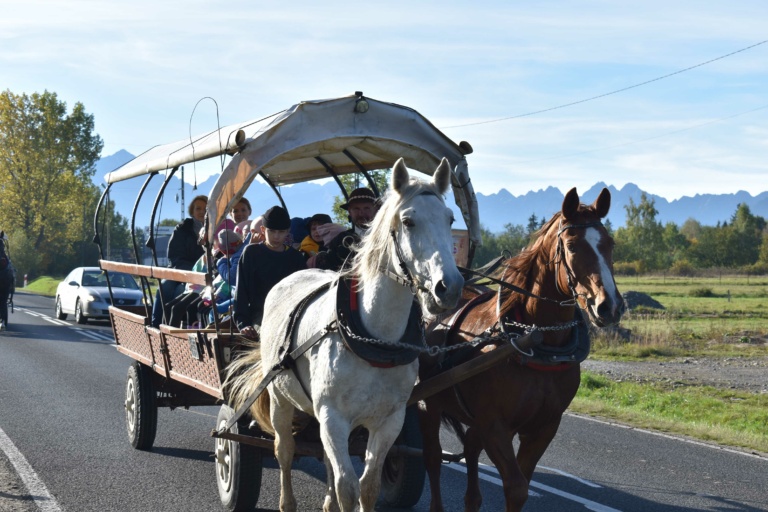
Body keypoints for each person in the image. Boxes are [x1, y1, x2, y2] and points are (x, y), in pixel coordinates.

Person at [234, 206, 306, 339]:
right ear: (263, 230)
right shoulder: (251, 253)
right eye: (272, 231)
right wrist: (243, 323)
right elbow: (241, 292)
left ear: (287, 232)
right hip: (261, 315)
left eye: (281, 232)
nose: (276, 236)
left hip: (291, 314)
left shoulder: (296, 257)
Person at [150, 194, 208, 327]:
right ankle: (155, 324)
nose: (201, 212)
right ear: (192, 211)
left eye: (205, 209)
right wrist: (188, 272)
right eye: (198, 208)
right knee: (164, 287)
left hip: (200, 275)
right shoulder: (182, 229)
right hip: (180, 270)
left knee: (179, 292)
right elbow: (175, 255)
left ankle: (170, 327)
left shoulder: (214, 229)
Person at [315, 187, 378, 271]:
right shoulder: (340, 240)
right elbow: (329, 271)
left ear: (376, 210)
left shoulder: (387, 237)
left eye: (366, 208)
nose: (361, 213)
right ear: (349, 212)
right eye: (356, 209)